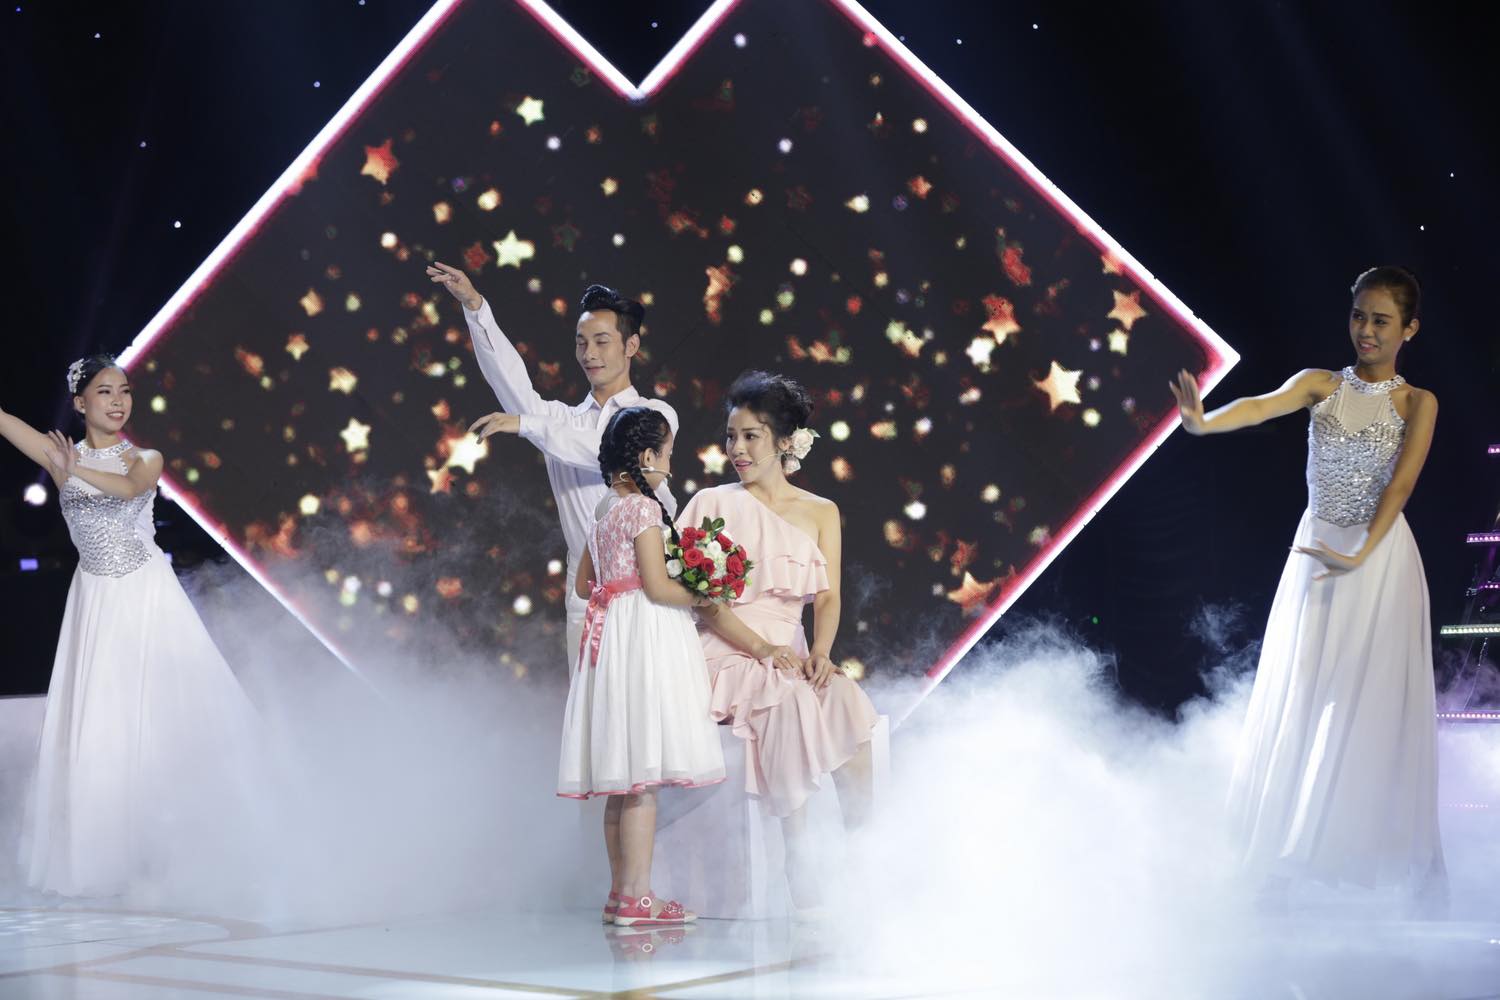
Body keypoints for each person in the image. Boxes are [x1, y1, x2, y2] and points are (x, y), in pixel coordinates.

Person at [1170, 266, 1445, 904]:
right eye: (1359, 316)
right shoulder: (1319, 384)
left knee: (1371, 702)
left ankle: (1408, 867)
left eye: (1381, 321)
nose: (1366, 330)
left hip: (1377, 558)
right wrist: (1203, 422)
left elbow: (1402, 485)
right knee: (1303, 691)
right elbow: (1261, 405)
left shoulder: (1417, 403)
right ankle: (1284, 854)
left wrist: (1363, 552)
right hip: (1316, 553)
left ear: (1409, 329)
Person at [0, 355, 262, 898]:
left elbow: (126, 489)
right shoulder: (61, 456)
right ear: (80, 403)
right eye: (105, 392)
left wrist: (71, 468)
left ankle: (188, 848)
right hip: (93, 599)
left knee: (163, 716)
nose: (118, 401)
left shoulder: (144, 458)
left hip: (146, 596)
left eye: (125, 391)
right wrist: (66, 464)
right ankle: (107, 856)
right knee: (103, 723)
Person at [680, 370, 879, 914]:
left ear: (784, 442)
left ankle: (864, 852)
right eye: (731, 436)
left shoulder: (821, 511)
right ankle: (800, 860)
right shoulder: (710, 502)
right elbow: (702, 600)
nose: (736, 449)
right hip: (727, 650)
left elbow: (828, 597)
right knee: (786, 698)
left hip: (791, 650)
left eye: (751, 436)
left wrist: (822, 653)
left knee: (845, 701)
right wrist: (762, 650)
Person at [428, 263, 678, 673]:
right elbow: (512, 387)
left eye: (601, 341)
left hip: (651, 583)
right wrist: (475, 307)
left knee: (647, 702)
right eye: (581, 342)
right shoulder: (561, 421)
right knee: (590, 704)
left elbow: (610, 449)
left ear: (631, 346)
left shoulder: (655, 414)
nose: (589, 353)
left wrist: (526, 424)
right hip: (587, 589)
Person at [557, 406, 725, 926]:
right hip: (644, 638)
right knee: (642, 778)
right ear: (647, 455)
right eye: (667, 454)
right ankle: (638, 897)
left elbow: (584, 584)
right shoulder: (644, 510)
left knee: (622, 777)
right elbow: (656, 585)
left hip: (612, 638)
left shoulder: (604, 508)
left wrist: (616, 591)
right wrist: (704, 595)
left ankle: (619, 895)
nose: (669, 465)